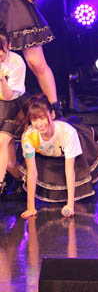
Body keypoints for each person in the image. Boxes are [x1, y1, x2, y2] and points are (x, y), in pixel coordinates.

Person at [17, 94, 98, 219]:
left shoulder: (67, 133)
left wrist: (70, 204)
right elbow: (32, 172)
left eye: (42, 118)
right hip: (49, 154)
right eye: (34, 120)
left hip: (76, 142)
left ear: (52, 114)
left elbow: (69, 170)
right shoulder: (29, 137)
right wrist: (30, 207)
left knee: (78, 126)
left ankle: (86, 128)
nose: (39, 124)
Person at [0, 29, 27, 196]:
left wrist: (2, 78)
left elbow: (8, 96)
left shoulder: (17, 62)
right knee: (10, 163)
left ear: (9, 45)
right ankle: (23, 181)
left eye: (1, 53)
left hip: (12, 106)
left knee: (2, 142)